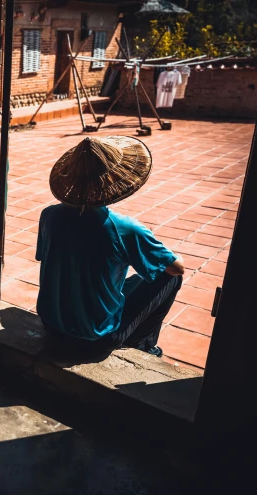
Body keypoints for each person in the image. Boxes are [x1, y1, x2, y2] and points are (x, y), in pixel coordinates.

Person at [35, 136, 184, 357]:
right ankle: (143, 345)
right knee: (171, 277)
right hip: (96, 339)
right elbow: (176, 267)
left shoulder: (49, 215)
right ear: (113, 180)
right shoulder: (125, 228)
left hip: (52, 327)